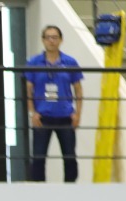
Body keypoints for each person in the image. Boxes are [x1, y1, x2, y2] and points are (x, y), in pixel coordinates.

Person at [25, 26, 83, 182]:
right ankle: (39, 192)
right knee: (38, 158)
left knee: (70, 157)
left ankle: (70, 189)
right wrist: (32, 113)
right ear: (43, 40)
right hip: (42, 117)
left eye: (55, 37)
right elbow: (28, 90)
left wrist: (78, 114)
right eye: (48, 37)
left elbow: (78, 89)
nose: (51, 41)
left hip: (65, 117)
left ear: (61, 40)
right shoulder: (33, 62)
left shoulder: (70, 62)